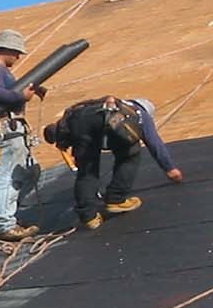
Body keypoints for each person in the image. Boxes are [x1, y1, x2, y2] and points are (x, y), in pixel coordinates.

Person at [43, 97, 182, 230]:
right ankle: (116, 199)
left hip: (79, 124)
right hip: (100, 125)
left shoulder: (113, 104)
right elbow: (154, 143)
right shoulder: (141, 115)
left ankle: (88, 217)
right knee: (130, 154)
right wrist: (169, 168)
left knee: (87, 171)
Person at [0, 29, 50, 241]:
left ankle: (1, 213)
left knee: (30, 171)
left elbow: (5, 91)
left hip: (13, 127)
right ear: (7, 50)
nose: (18, 57)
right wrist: (20, 96)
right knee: (9, 175)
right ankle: (5, 224)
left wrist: (30, 89)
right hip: (5, 128)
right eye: (16, 53)